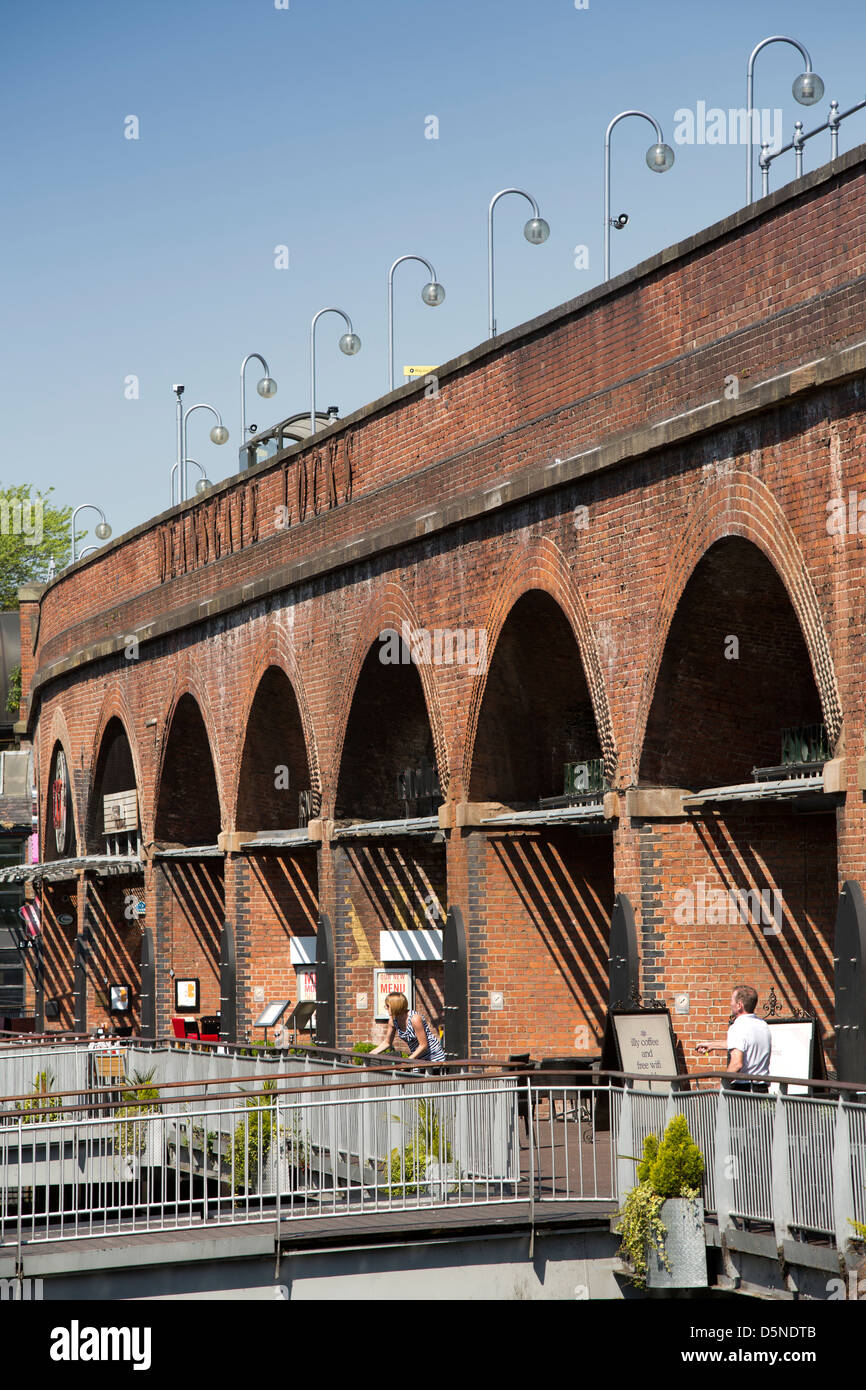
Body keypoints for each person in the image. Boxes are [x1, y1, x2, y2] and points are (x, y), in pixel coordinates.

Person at [695, 984, 772, 1091]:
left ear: (739, 1005)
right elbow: (746, 1044)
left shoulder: (737, 1027)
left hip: (743, 1089)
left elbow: (737, 1064)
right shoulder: (763, 1025)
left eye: (732, 1000)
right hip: (762, 1088)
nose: (730, 1003)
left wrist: (721, 1086)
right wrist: (711, 1045)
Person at [370, 993, 446, 1065]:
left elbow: (423, 1045)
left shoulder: (414, 1019)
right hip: (417, 1057)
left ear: (395, 1006)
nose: (386, 1008)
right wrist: (370, 1055)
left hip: (433, 1057)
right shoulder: (393, 1021)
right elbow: (387, 1042)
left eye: (387, 1006)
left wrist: (406, 1062)